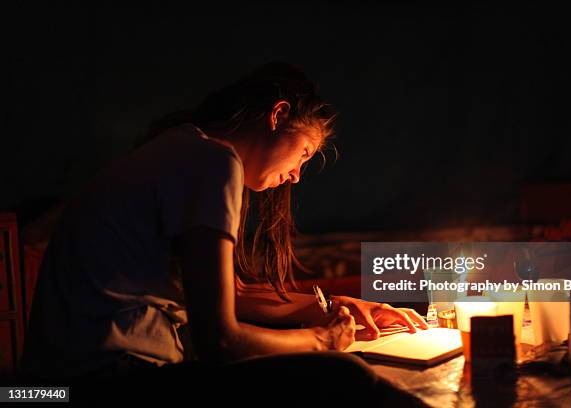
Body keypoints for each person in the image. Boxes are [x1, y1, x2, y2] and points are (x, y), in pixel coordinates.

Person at [21, 62, 428, 405]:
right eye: (304, 153)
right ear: (278, 115)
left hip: (53, 383)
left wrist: (334, 308)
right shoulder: (213, 161)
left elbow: (233, 296)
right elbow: (220, 341)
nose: (297, 175)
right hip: (103, 382)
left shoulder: (177, 149)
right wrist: (321, 339)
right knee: (344, 375)